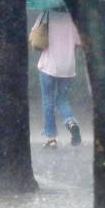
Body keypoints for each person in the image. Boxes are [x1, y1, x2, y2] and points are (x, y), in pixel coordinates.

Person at [32, 8, 82, 148]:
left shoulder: (46, 14)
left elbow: (34, 36)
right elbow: (78, 43)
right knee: (62, 100)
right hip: (67, 67)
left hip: (48, 66)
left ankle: (51, 138)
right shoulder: (73, 17)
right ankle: (71, 123)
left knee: (48, 101)